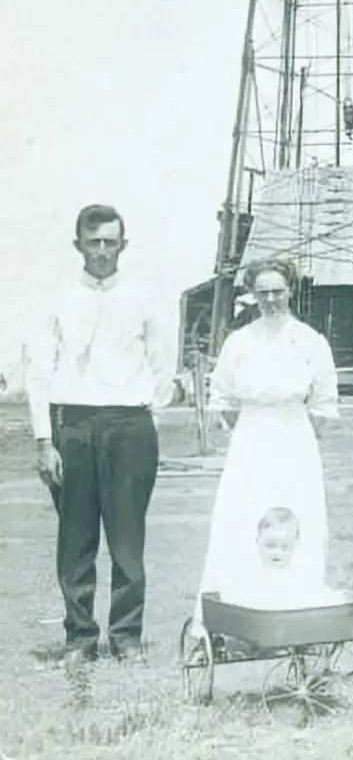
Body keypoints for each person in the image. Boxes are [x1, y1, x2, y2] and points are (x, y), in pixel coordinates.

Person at [26, 204, 176, 668]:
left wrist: (146, 411)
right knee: (76, 539)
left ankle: (127, 636)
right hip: (72, 426)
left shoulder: (144, 298)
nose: (103, 251)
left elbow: (162, 363)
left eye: (111, 242)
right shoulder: (58, 300)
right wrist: (43, 439)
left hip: (129, 425)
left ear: (123, 245)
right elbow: (38, 372)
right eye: (94, 242)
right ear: (79, 246)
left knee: (128, 538)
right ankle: (81, 638)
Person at [190, 257, 339, 635]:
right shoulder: (239, 342)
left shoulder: (310, 341)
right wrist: (255, 429)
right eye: (263, 293)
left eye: (278, 292)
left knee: (298, 513)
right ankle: (239, 607)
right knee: (244, 515)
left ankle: (298, 607)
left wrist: (294, 434)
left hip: (295, 436)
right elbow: (222, 398)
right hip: (252, 439)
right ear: (252, 295)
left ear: (290, 291)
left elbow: (323, 403)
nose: (272, 300)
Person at [218, 507, 345, 610]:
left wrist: (337, 599)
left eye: (285, 548)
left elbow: (314, 594)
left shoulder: (297, 576)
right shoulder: (252, 575)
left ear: (294, 546)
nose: (277, 553)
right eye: (270, 546)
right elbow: (235, 598)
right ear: (257, 541)